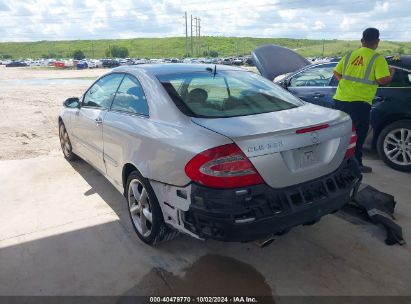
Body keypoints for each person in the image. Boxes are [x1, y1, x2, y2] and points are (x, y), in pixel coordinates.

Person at [333, 28, 394, 173]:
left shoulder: (349, 55)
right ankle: (356, 164)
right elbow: (383, 80)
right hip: (360, 103)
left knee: (342, 133)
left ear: (362, 40)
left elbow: (336, 72)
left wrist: (347, 84)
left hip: (340, 99)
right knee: (358, 135)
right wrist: (392, 73)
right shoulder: (377, 58)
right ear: (377, 42)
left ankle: (337, 164)